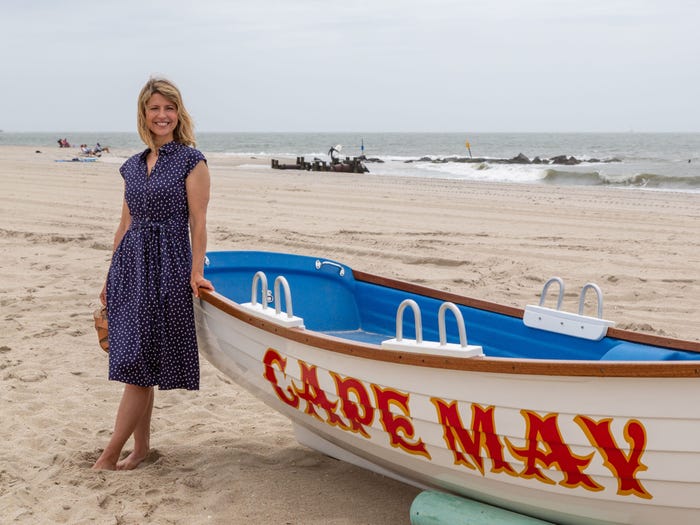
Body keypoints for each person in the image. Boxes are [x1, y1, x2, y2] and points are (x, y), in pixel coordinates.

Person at [92, 77, 214, 470]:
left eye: (169, 108)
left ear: (179, 114)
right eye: (155, 108)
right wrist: (110, 278)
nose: (162, 115)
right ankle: (140, 448)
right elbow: (123, 226)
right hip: (130, 269)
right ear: (144, 115)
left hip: (168, 269)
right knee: (135, 361)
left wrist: (196, 272)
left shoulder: (192, 162)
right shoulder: (132, 166)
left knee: (139, 365)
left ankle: (109, 455)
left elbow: (198, 221)